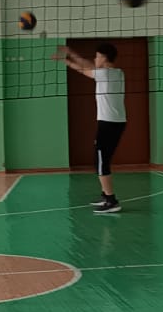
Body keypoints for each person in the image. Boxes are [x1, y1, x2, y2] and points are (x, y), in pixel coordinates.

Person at [53, 44, 127, 214]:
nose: (94, 59)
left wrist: (65, 60)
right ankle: (105, 195)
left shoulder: (103, 74)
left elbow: (82, 69)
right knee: (101, 159)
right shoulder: (117, 72)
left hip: (109, 123)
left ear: (104, 58)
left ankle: (111, 201)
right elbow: (88, 65)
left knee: (101, 161)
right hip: (115, 122)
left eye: (97, 56)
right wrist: (71, 53)